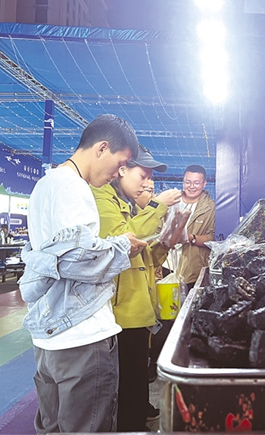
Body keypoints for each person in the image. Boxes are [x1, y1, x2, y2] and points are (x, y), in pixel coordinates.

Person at [18, 114, 148, 434]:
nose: (119, 173)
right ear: (102, 148)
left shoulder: (44, 185)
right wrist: (121, 247)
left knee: (52, 427)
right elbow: (77, 259)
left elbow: (56, 252)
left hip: (48, 337)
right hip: (83, 335)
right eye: (121, 163)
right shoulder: (74, 188)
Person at [91, 144, 181, 432]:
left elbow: (145, 257)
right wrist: (159, 206)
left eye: (151, 179)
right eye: (142, 175)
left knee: (135, 383)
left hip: (138, 310)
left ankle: (137, 419)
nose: (147, 183)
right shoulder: (102, 198)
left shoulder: (127, 204)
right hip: (121, 314)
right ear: (122, 169)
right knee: (125, 387)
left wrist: (166, 242)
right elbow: (123, 241)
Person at [169, 165, 216, 289]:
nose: (191, 186)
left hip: (192, 267)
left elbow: (214, 238)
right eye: (187, 182)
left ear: (204, 183)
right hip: (166, 264)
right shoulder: (171, 200)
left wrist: (191, 238)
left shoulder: (211, 208)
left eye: (196, 183)